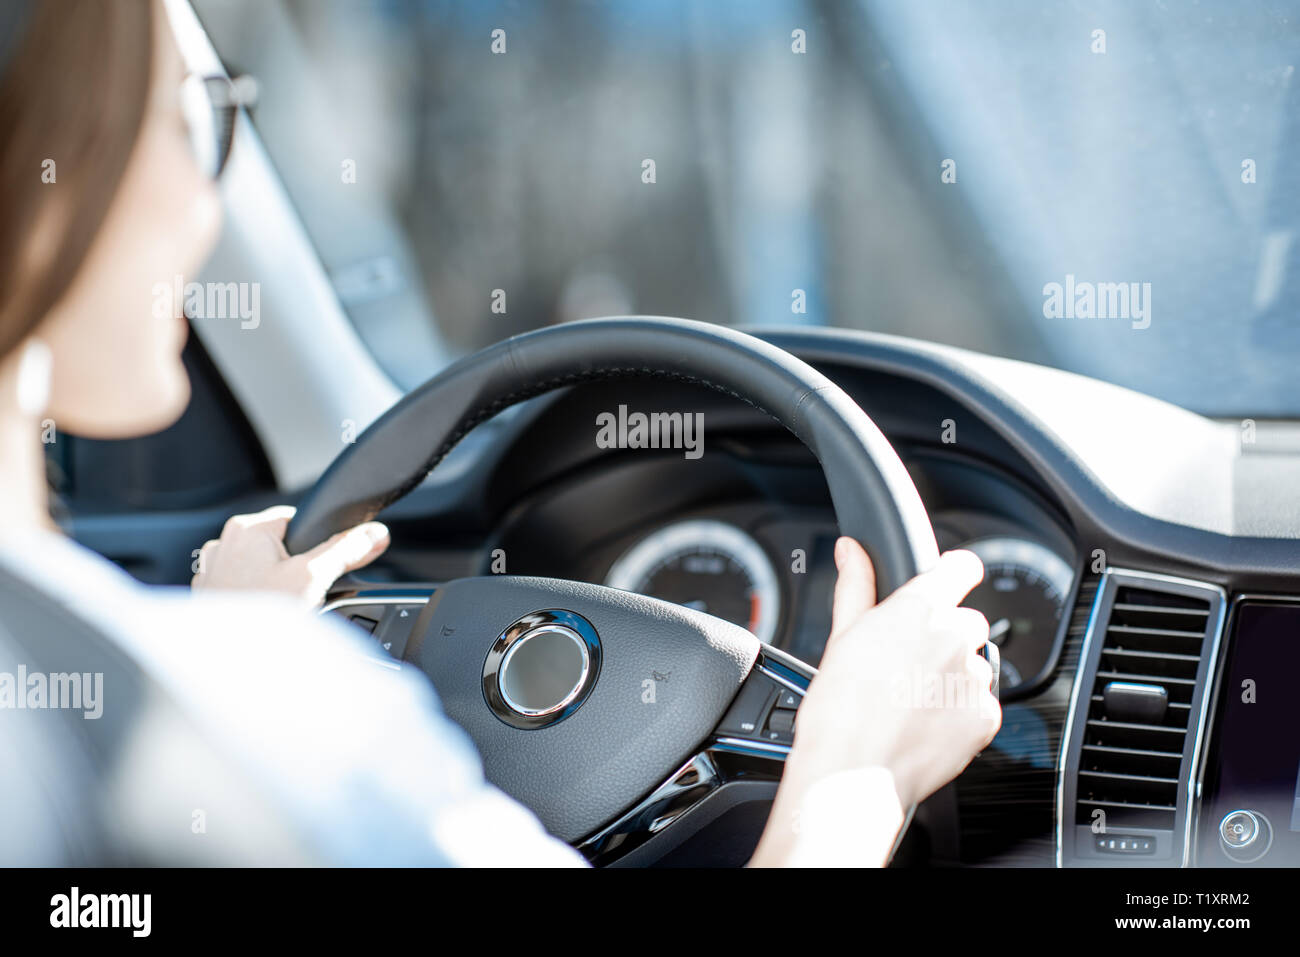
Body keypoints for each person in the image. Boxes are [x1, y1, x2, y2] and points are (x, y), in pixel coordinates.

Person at [0, 0, 999, 867]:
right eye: (194, 121)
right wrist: (859, 774)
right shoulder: (276, 722)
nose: (206, 200)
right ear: (50, 171)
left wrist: (239, 642)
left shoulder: (183, 699)